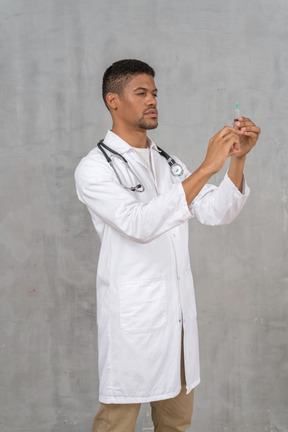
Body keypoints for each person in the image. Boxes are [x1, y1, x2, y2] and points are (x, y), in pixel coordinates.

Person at [74, 59, 260, 432]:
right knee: (118, 424)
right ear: (113, 101)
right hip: (134, 322)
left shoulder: (167, 162)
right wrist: (208, 167)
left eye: (154, 93)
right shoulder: (94, 168)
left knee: (176, 425)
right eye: (141, 93)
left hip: (176, 322)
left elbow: (215, 211)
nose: (152, 100)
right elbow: (138, 225)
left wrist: (235, 161)